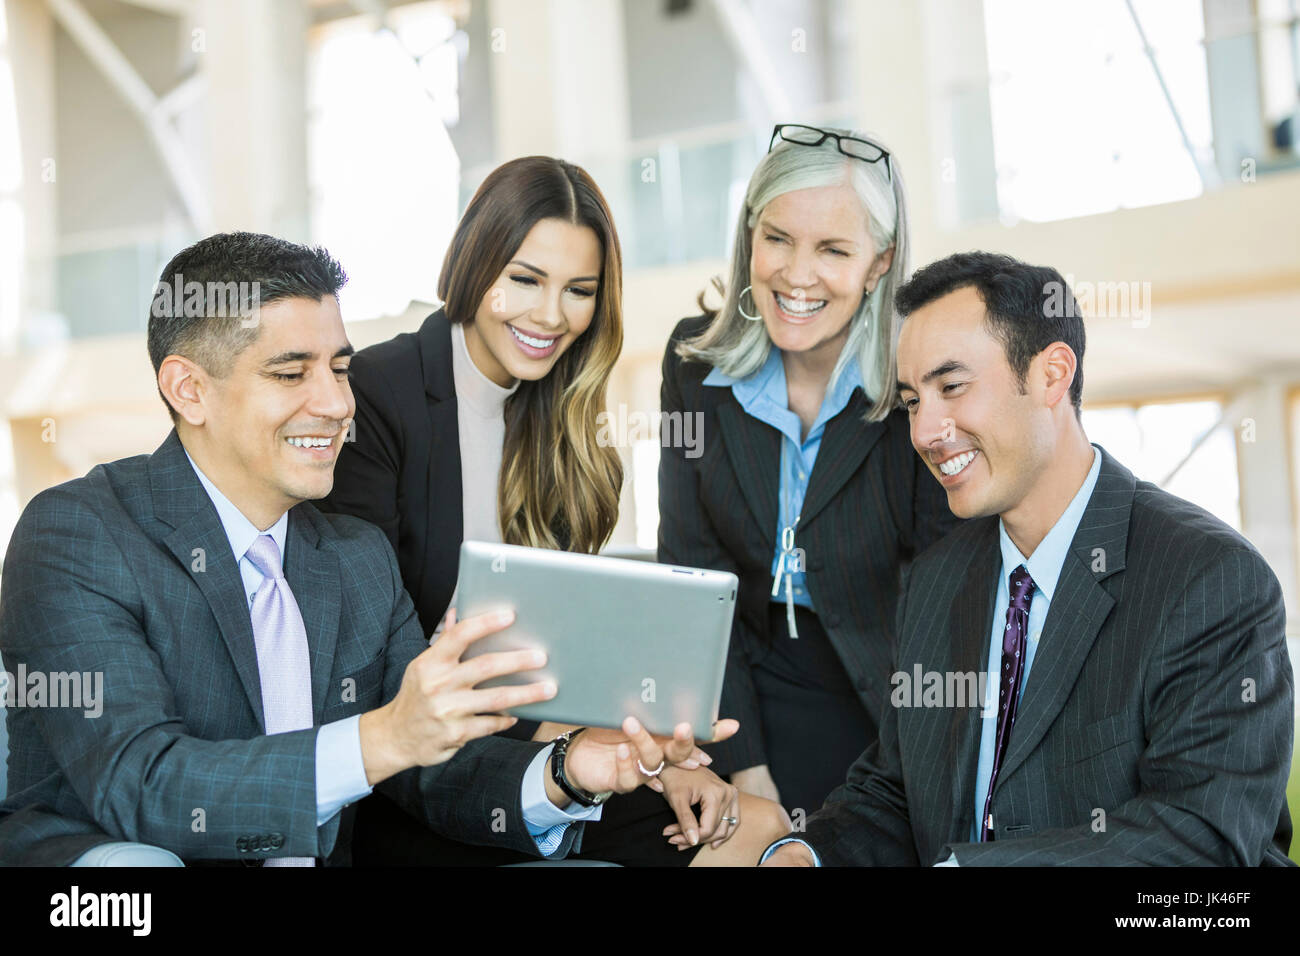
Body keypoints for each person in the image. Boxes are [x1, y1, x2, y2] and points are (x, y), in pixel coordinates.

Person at [0, 232, 729, 866]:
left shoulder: (353, 555)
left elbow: (430, 768)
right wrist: (385, 736)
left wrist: (570, 770)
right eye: (291, 373)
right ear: (189, 390)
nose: (337, 403)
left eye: (341, 369)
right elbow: (145, 786)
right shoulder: (79, 535)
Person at [321, 156, 789, 866]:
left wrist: (661, 761)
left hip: (549, 752)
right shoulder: (379, 396)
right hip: (425, 776)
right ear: (475, 266)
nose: (550, 315)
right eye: (525, 280)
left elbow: (563, 660)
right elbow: (374, 666)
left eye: (579, 291)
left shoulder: (561, 414)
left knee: (758, 829)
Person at [762, 251, 1295, 866]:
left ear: (1052, 375)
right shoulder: (938, 580)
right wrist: (807, 855)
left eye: (952, 387)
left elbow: (1201, 837)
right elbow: (896, 792)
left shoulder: (1209, 578)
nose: (925, 431)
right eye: (913, 401)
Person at [658, 125, 960, 814]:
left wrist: (897, 775)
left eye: (833, 249)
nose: (796, 275)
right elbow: (694, 578)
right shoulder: (691, 366)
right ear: (750, 237)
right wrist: (745, 769)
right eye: (778, 238)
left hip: (886, 698)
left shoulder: (919, 382)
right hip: (735, 683)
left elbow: (943, 604)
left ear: (878, 264)